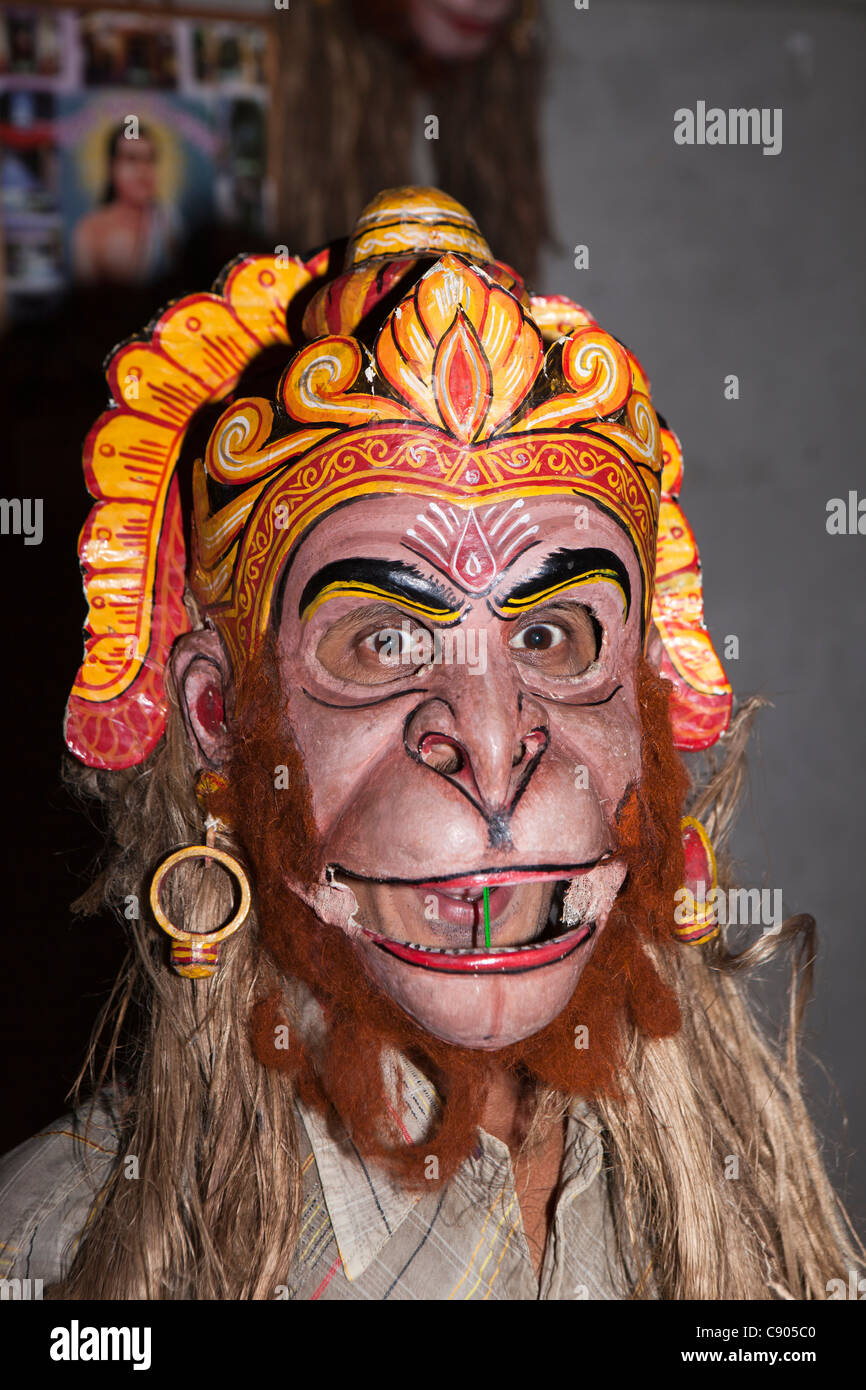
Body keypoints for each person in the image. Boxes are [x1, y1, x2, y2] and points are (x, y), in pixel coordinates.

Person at [0, 186, 860, 1300]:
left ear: (643, 705)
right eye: (383, 641)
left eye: (554, 634)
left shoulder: (762, 1226)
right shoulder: (57, 1260)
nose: (497, 751)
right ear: (218, 718)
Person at [72, 122, 177, 285]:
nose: (143, 170)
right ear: (111, 167)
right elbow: (87, 298)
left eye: (149, 160)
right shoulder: (91, 230)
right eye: (132, 159)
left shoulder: (170, 224)